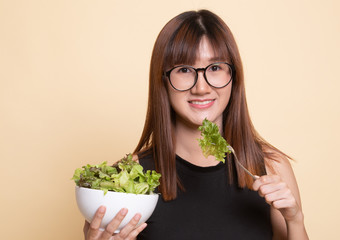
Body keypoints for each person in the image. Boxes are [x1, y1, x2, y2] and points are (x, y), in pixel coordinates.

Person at [83, 9, 309, 240]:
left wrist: (295, 220)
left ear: (234, 76)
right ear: (162, 80)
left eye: (215, 68)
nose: (201, 87)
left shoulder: (271, 167)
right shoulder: (128, 177)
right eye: (184, 70)